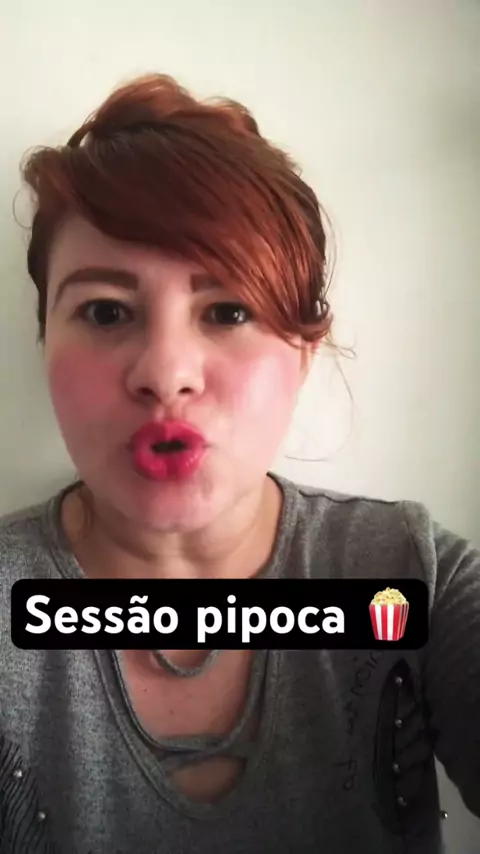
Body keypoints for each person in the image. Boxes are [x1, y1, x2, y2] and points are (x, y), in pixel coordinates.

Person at [0, 73, 478, 854]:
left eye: (228, 310)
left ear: (304, 352)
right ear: (43, 341)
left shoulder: (413, 578)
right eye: (106, 311)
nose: (166, 373)